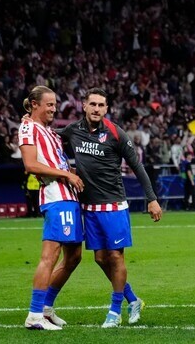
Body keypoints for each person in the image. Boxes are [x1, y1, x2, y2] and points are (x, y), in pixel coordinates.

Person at [57, 88, 163, 328]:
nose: (96, 109)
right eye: (92, 104)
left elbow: (137, 166)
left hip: (114, 204)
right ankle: (133, 300)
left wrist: (151, 198)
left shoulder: (116, 133)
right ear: (84, 106)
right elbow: (48, 135)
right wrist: (30, 122)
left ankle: (115, 311)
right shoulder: (73, 130)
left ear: (106, 108)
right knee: (100, 258)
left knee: (115, 257)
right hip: (89, 207)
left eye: (101, 105)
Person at [18, 86, 84, 331]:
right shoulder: (28, 128)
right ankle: (34, 315)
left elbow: (58, 162)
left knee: (74, 257)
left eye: (55, 104)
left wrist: (75, 173)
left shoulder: (50, 132)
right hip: (56, 196)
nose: (54, 109)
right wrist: (66, 175)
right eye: (49, 104)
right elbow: (30, 165)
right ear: (34, 104)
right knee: (50, 256)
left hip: (69, 197)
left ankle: (45, 308)